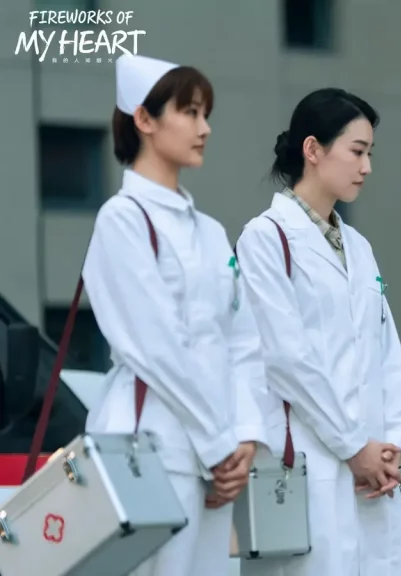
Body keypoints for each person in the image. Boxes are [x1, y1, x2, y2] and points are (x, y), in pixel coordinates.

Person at [82, 54, 271, 576]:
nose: (204, 128)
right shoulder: (121, 220)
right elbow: (155, 346)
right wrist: (222, 443)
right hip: (150, 452)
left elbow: (243, 342)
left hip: (214, 463)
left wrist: (245, 437)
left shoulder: (210, 231)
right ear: (144, 119)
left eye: (205, 114)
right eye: (189, 112)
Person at [234, 88, 401, 576]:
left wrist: (394, 445)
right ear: (313, 149)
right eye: (357, 151)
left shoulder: (358, 247)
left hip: (374, 472)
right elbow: (286, 359)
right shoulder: (266, 238)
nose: (367, 167)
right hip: (311, 464)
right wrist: (354, 446)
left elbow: (387, 353)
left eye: (369, 153)